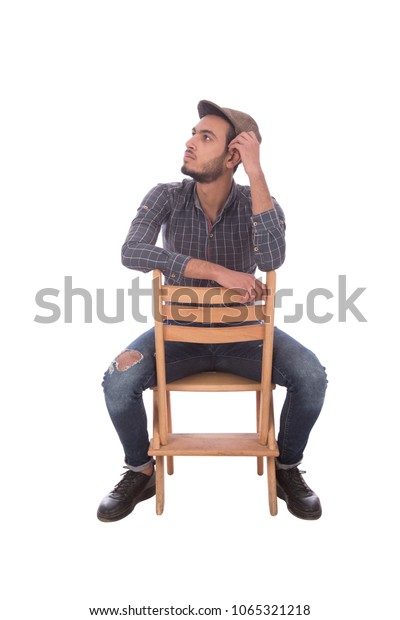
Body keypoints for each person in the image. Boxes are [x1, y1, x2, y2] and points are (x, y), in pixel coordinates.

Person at [98, 100, 327, 522]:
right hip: (177, 338)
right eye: (193, 132)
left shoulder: (258, 201)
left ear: (232, 157)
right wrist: (215, 271)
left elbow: (272, 257)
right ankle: (140, 469)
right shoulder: (166, 196)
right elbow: (132, 251)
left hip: (245, 338)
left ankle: (286, 467)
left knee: (312, 376)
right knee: (117, 381)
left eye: (206, 138)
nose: (191, 142)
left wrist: (256, 173)